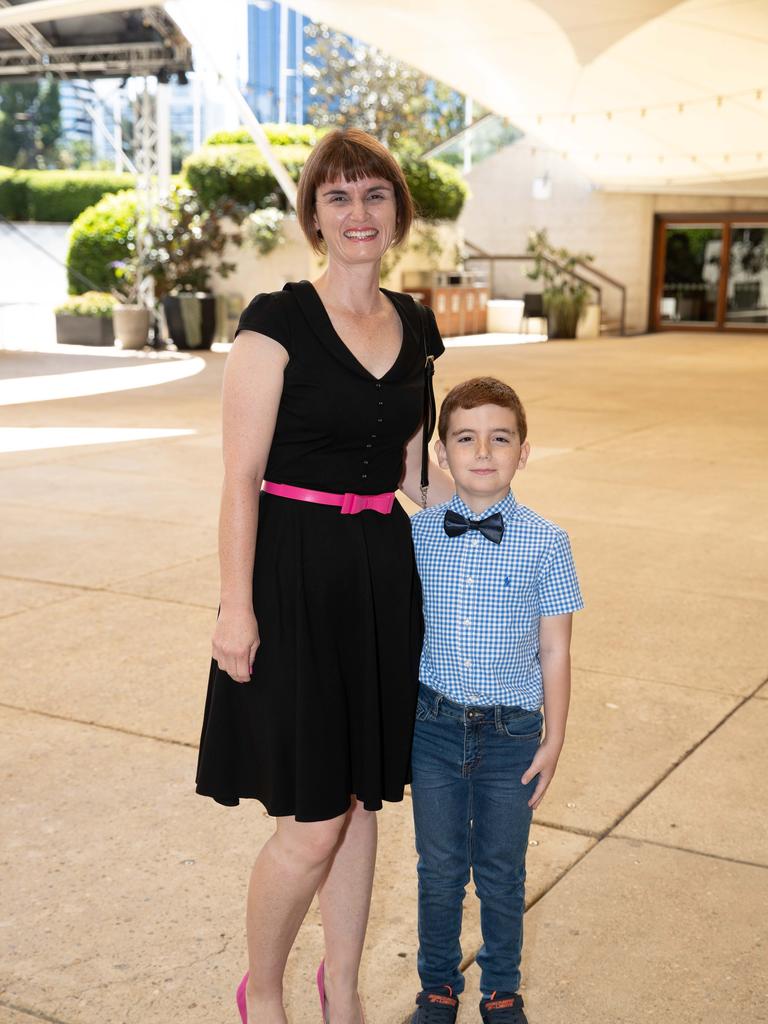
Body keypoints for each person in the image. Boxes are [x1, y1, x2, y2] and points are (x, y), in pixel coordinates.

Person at [194, 127, 452, 1024]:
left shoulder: (416, 322)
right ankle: (261, 991)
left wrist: (495, 522)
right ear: (313, 215)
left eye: (374, 195)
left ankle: (339, 987)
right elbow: (239, 477)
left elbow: (414, 468)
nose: (358, 213)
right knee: (312, 820)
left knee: (361, 798)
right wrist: (236, 607)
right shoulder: (277, 319)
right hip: (294, 576)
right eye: (338, 197)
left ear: (397, 214)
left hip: (381, 576)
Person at [408, 377, 583, 1024]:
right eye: (465, 438)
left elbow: (556, 651)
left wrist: (554, 738)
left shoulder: (548, 541)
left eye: (500, 438)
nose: (483, 452)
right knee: (440, 870)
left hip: (513, 734)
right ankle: (437, 988)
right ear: (443, 454)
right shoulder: (421, 532)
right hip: (433, 727)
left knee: (503, 872)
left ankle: (501, 989)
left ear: (524, 452)